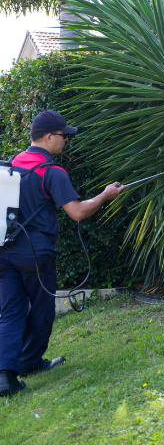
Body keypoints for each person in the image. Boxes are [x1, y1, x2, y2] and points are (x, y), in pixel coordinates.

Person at [0, 110, 126, 397]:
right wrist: (105, 195)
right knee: (42, 310)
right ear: (48, 137)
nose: (66, 140)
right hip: (36, 256)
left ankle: (5, 377)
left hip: (4, 253)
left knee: (10, 312)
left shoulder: (12, 165)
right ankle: (29, 362)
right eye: (63, 135)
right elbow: (78, 213)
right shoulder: (52, 171)